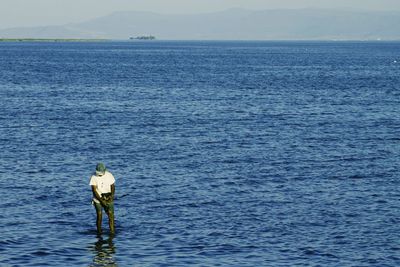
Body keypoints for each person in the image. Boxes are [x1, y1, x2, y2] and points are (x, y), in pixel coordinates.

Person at [89, 163, 115, 235]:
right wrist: (101, 201)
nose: (99, 174)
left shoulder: (109, 175)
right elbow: (94, 191)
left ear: (104, 171)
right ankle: (99, 232)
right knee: (99, 215)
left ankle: (112, 232)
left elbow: (113, 186)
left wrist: (112, 196)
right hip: (97, 199)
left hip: (108, 197)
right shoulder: (93, 177)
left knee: (111, 215)